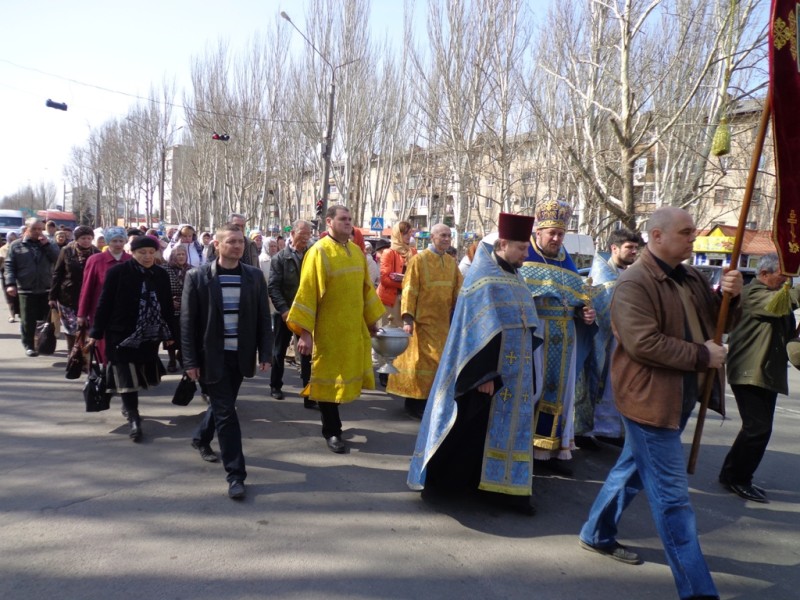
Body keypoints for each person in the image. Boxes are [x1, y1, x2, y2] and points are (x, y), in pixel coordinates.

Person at [578, 207, 742, 600]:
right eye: (685, 232)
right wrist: (703, 357)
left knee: (632, 468)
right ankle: (698, 591)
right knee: (673, 502)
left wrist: (729, 298)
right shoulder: (633, 283)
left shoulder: (692, 276)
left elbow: (719, 322)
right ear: (657, 236)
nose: (693, 238)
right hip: (649, 401)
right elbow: (643, 344)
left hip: (679, 397)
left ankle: (595, 532)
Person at [408, 213, 541, 515]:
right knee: (470, 429)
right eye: (522, 248)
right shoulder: (482, 278)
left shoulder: (514, 275)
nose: (526, 254)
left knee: (493, 431)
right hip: (487, 374)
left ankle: (498, 488)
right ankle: (449, 486)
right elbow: (475, 332)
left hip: (514, 372)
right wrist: (483, 374)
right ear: (503, 243)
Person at [182, 224, 273, 500]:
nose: (237, 246)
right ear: (217, 246)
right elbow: (187, 323)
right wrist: (190, 361)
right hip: (212, 356)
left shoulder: (254, 277)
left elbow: (262, 319)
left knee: (223, 406)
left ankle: (200, 438)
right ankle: (236, 475)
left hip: (240, 355)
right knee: (226, 413)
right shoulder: (198, 277)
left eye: (240, 242)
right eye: (231, 241)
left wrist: (266, 353)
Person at [286, 205, 385, 454]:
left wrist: (372, 321)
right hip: (327, 331)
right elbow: (307, 293)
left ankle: (334, 426)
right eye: (343, 219)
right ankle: (332, 431)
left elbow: (366, 290)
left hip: (352, 329)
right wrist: (306, 334)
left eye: (350, 219)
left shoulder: (355, 252)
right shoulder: (318, 252)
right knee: (328, 380)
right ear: (329, 222)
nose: (348, 223)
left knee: (345, 378)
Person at [519, 199, 596, 475]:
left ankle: (550, 449)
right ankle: (522, 448)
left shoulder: (568, 261)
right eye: (551, 232)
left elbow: (581, 301)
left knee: (560, 393)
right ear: (538, 231)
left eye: (561, 234)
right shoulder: (524, 255)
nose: (556, 238)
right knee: (532, 390)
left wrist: (586, 315)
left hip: (565, 337)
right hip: (536, 335)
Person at [718, 253, 797, 504]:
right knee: (758, 429)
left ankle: (731, 473)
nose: (788, 282)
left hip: (765, 371)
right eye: (783, 277)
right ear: (764, 275)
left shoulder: (774, 296)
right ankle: (738, 478)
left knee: (755, 428)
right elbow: (785, 304)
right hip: (749, 371)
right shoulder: (752, 294)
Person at [88, 236, 176, 441]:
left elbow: (167, 306)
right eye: (142, 252)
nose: (147, 256)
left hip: (149, 333)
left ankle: (129, 408)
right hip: (121, 333)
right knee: (127, 376)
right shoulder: (118, 272)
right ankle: (134, 418)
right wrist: (95, 332)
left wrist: (171, 334)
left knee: (140, 374)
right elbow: (105, 303)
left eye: (150, 252)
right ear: (133, 253)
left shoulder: (161, 274)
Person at [574, 228, 641, 450]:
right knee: (596, 384)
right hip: (601, 343)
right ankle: (583, 431)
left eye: (635, 248)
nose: (634, 252)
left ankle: (608, 431)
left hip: (619, 344)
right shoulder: (602, 277)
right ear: (614, 248)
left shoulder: (624, 274)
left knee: (614, 389)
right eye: (629, 247)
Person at [387, 223, 463, 419]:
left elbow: (459, 291)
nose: (446, 239)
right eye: (442, 236)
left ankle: (429, 401)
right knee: (421, 363)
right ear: (432, 238)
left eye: (448, 236)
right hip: (422, 322)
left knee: (438, 364)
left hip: (442, 323)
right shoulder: (419, 260)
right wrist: (407, 319)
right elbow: (410, 290)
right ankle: (413, 403)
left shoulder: (451, 262)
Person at [268, 219, 314, 407]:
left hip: (306, 313)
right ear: (292, 234)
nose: (305, 238)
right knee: (279, 350)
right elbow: (273, 287)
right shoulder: (280, 258)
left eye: (308, 234)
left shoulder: (313, 255)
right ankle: (275, 385)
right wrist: (284, 310)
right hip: (285, 313)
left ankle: (309, 393)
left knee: (307, 353)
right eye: (302, 234)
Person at [4, 218, 60, 356]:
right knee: (28, 319)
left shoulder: (49, 244)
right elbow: (9, 266)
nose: (37, 232)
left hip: (46, 287)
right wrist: (10, 284)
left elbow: (58, 260)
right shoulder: (17, 245)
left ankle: (44, 343)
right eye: (34, 229)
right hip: (26, 288)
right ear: (27, 229)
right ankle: (29, 345)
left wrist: (47, 245)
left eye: (40, 229)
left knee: (46, 320)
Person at [77, 227, 132, 364]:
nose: (118, 244)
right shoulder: (96, 260)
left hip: (126, 312)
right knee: (103, 346)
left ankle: (121, 375)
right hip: (100, 311)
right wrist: (81, 313)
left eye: (121, 240)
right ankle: (105, 375)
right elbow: (87, 288)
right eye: (114, 241)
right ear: (108, 242)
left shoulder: (131, 260)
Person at [375, 221, 416, 383]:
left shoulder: (413, 251)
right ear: (399, 234)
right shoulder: (389, 253)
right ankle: (384, 371)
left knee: (402, 335)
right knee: (387, 333)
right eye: (406, 233)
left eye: (410, 233)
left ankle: (399, 370)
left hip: (406, 298)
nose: (409, 236)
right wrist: (406, 281)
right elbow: (385, 279)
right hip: (389, 299)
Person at [48, 225, 100, 353]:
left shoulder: (97, 253)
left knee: (86, 327)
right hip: (68, 295)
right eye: (83, 238)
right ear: (76, 239)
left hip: (89, 296)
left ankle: (85, 355)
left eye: (89, 238)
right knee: (71, 328)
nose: (86, 241)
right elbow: (57, 273)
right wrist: (52, 297)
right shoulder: (67, 251)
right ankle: (72, 352)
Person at [164, 243, 192, 372]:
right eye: (178, 254)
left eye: (183, 254)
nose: (181, 257)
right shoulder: (164, 269)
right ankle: (171, 359)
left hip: (187, 306)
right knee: (170, 335)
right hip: (170, 307)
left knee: (184, 334)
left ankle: (180, 356)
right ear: (173, 256)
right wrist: (168, 301)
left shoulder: (192, 269)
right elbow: (160, 289)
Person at [0, 231, 21, 322]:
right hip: (6, 274)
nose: (12, 240)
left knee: (19, 295)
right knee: (9, 296)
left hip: (20, 274)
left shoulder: (20, 247)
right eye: (10, 238)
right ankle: (12, 315)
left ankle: (21, 313)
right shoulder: (3, 249)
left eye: (14, 238)